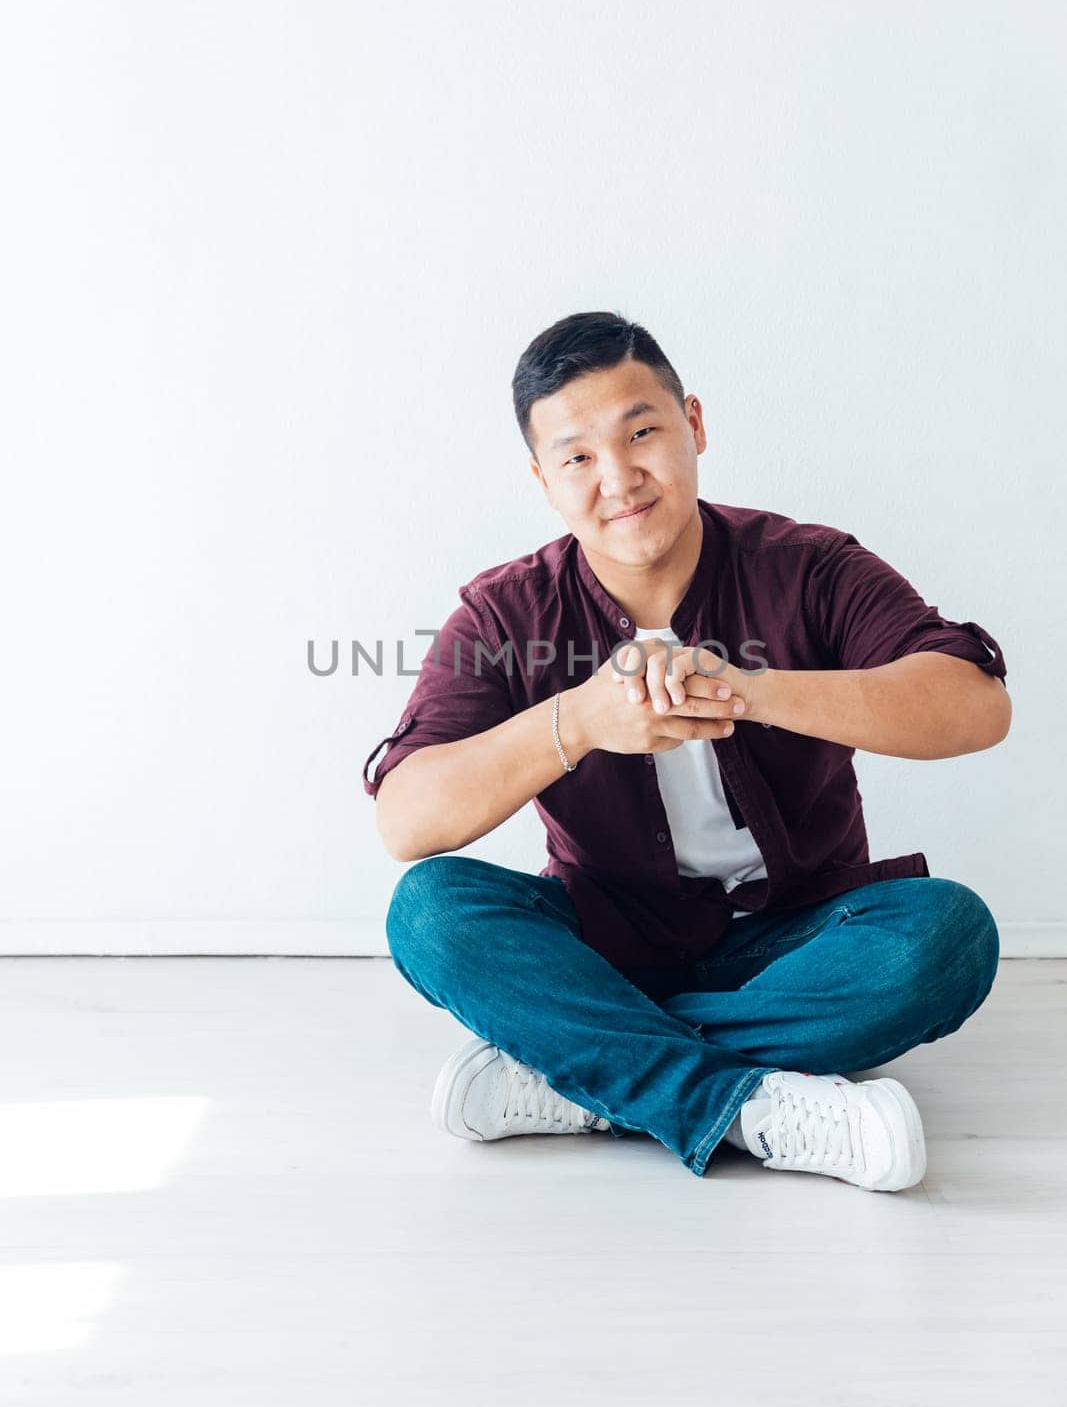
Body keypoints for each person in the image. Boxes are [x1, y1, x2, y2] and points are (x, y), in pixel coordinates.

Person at [362, 311, 1011, 1192]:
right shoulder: (506, 613)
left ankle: (587, 1069)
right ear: (543, 479)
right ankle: (751, 1107)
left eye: (641, 433)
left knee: (946, 937)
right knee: (431, 910)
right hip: (605, 936)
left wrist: (747, 689)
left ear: (693, 425)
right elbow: (406, 819)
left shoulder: (809, 566)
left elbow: (973, 705)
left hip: (798, 936)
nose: (619, 478)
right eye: (578, 457)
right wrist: (580, 720)